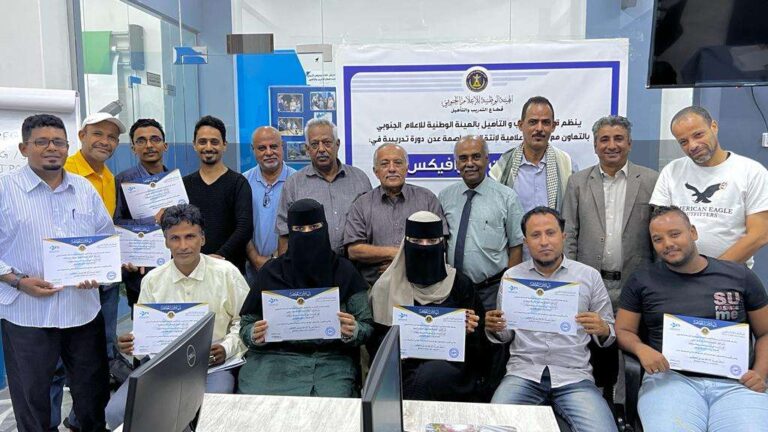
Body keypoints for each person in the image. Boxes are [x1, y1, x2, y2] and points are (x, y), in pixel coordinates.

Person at [0, 114, 112, 431]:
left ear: (67, 147)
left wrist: (98, 270)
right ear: (23, 148)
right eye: (42, 142)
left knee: (92, 398)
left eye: (58, 142)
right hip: (27, 315)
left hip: (82, 312)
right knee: (32, 403)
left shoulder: (84, 189)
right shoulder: (4, 189)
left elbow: (105, 238)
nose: (52, 148)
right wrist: (18, 281)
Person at [616, 205, 768, 431]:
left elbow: (765, 332)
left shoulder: (739, 276)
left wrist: (760, 373)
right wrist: (641, 349)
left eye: (675, 234)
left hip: (735, 383)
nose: (667, 244)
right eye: (658, 239)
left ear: (693, 233)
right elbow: (623, 330)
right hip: (671, 381)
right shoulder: (642, 280)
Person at [104, 204, 248, 429]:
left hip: (212, 366)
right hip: (163, 368)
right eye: (175, 238)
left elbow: (245, 321)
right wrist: (133, 341)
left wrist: (226, 348)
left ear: (202, 238)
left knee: (213, 413)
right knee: (115, 413)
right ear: (165, 242)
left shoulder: (226, 273)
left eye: (190, 236)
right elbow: (146, 330)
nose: (183, 246)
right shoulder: (153, 280)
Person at [486, 206, 617, 432]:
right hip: (523, 373)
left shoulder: (588, 276)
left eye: (550, 233)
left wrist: (603, 328)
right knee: (493, 428)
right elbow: (506, 335)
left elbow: (610, 335)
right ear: (526, 242)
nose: (544, 241)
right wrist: (495, 328)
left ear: (563, 236)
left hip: (574, 376)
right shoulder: (512, 277)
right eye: (535, 235)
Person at [238, 199, 373, 397]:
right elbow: (246, 324)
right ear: (290, 233)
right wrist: (254, 333)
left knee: (333, 407)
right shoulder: (271, 272)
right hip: (274, 360)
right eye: (300, 229)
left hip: (330, 361)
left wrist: (353, 330)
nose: (308, 234)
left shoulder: (344, 271)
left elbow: (366, 324)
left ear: (324, 228)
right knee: (257, 405)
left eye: (314, 227)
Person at [55, 111, 126, 430]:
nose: (105, 142)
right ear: (81, 135)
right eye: (98, 133)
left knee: (99, 354)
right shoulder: (63, 172)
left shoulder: (109, 177)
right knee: (60, 362)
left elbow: (105, 230)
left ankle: (82, 420)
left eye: (112, 137)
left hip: (102, 282)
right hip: (69, 285)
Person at [369, 211, 485, 401]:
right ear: (405, 244)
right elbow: (376, 345)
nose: (424, 248)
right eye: (416, 241)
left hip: (451, 367)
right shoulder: (386, 287)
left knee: (430, 375)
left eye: (432, 242)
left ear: (442, 244)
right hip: (401, 366)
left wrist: (468, 330)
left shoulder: (459, 284)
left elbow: (479, 347)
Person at [650, 106, 768, 267]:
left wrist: (711, 272)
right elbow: (660, 226)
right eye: (683, 142)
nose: (692, 145)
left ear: (714, 126)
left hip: (731, 274)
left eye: (698, 135)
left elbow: (760, 234)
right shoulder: (671, 171)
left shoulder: (751, 172)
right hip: (678, 274)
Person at [562, 115, 659, 306]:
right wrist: (570, 278)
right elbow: (569, 233)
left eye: (619, 138)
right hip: (588, 283)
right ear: (595, 145)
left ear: (629, 143)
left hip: (637, 284)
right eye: (604, 139)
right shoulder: (577, 182)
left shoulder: (651, 180)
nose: (612, 145)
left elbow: (659, 236)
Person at [438, 135, 524, 311]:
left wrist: (509, 288)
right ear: (456, 163)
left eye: (476, 157)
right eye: (463, 158)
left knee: (490, 330)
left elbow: (516, 246)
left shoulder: (507, 197)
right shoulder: (445, 196)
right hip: (452, 289)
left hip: (491, 289)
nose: (470, 163)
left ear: (486, 159)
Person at [344, 143, 446, 286]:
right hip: (375, 287)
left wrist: (402, 263)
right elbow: (354, 251)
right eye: (384, 164)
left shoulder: (427, 199)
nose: (392, 169)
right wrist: (396, 253)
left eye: (398, 163)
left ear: (406, 168)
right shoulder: (361, 204)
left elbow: (441, 244)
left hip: (421, 287)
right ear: (376, 171)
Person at [276, 118, 372, 255]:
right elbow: (284, 233)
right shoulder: (294, 184)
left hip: (354, 263)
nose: (321, 149)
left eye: (327, 142)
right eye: (315, 144)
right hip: (309, 262)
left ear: (337, 144)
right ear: (307, 149)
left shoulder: (360, 179)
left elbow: (371, 225)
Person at [183, 115, 253, 273]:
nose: (208, 147)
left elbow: (245, 228)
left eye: (214, 142)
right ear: (194, 145)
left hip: (229, 270)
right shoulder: (184, 184)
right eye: (202, 142)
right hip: (192, 270)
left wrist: (219, 256)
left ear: (224, 145)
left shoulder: (238, 183)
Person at [113, 118, 170, 307]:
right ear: (133, 148)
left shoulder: (174, 182)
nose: (149, 145)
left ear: (165, 145)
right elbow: (115, 223)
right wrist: (152, 220)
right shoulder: (123, 180)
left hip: (172, 269)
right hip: (139, 273)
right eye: (141, 141)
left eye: (155, 139)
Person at [490, 96, 572, 213]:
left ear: (553, 126)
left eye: (545, 122)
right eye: (533, 122)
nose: (539, 128)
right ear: (521, 125)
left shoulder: (567, 165)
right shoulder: (503, 168)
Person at [242, 126, 296, 287]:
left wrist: (274, 259)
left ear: (282, 147)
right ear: (253, 150)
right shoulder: (242, 182)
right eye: (261, 148)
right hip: (251, 270)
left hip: (289, 268)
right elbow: (239, 225)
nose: (269, 152)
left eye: (273, 146)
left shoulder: (297, 182)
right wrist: (256, 259)